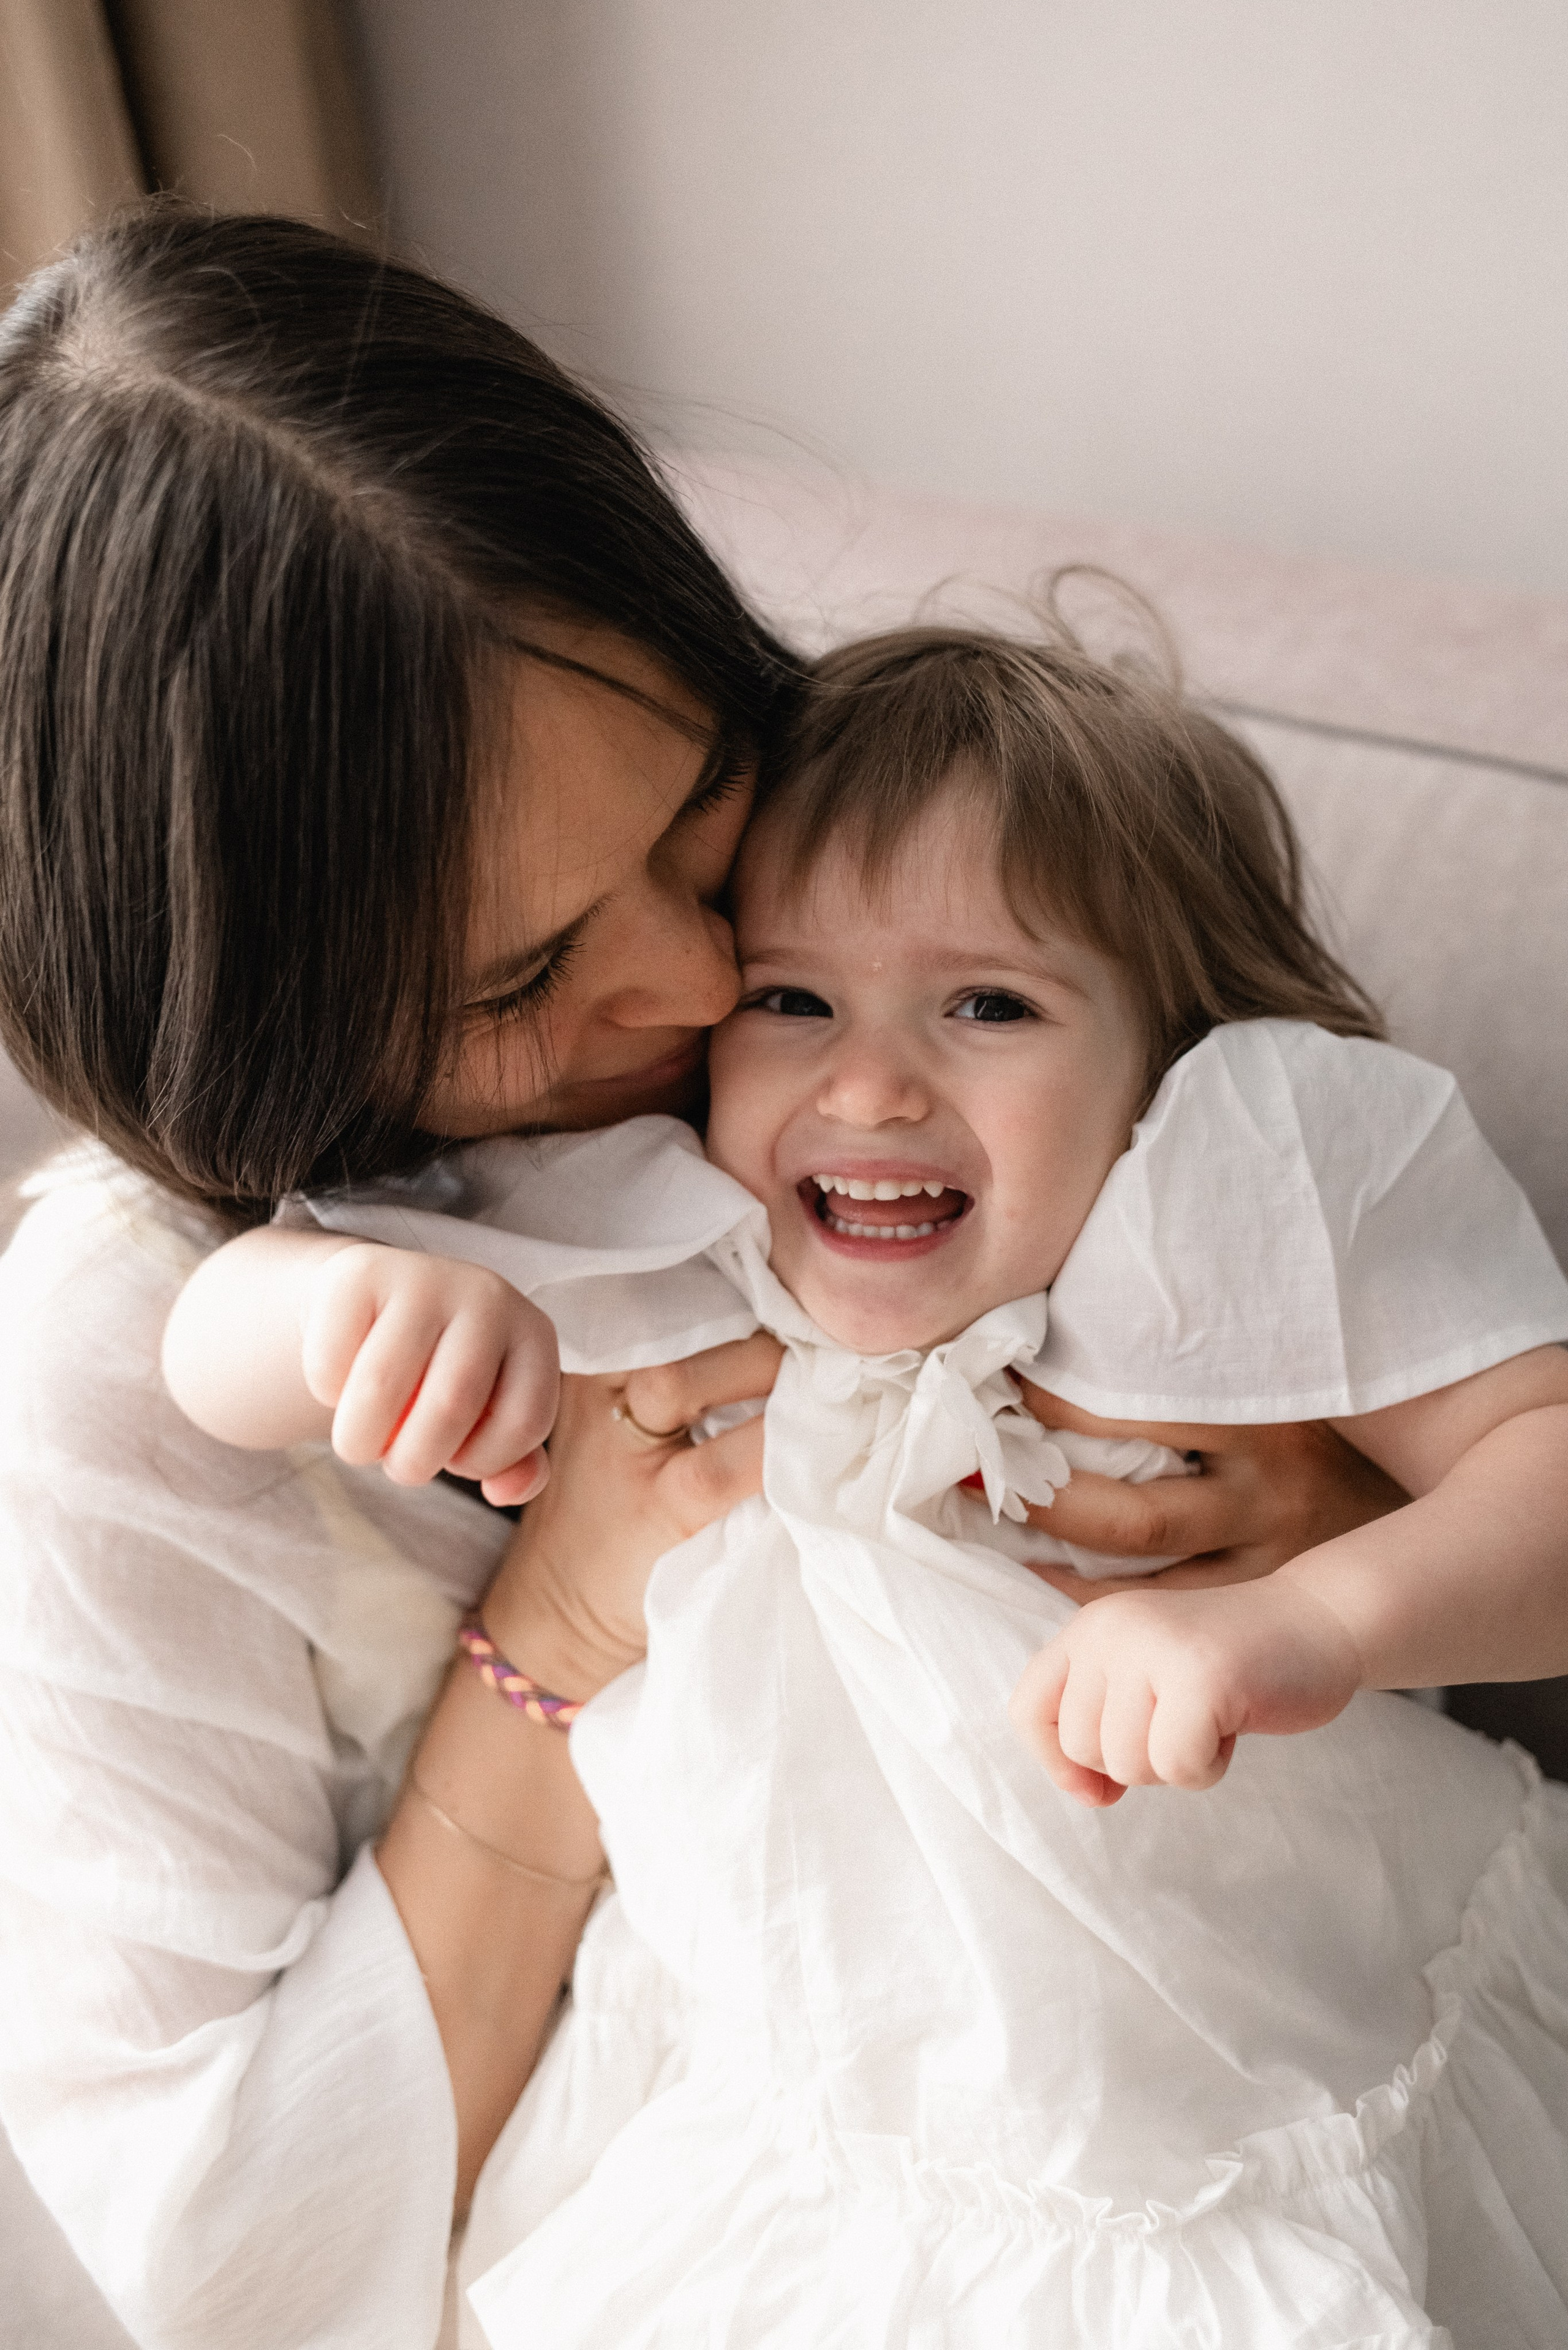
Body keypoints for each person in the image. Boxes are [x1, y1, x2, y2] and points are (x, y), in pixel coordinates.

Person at [0, 205, 1404, 2350]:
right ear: (253, 1034)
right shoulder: (144, 1351)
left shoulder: (883, 895)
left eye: (693, 819)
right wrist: (560, 1625)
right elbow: (229, 2282)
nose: (691, 977)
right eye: (524, 975)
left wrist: (1323, 1520)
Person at [167, 625, 1568, 2346]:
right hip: (791, 2073)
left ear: (1168, 1054)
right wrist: (346, 1313)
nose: (873, 1082)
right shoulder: (680, 1220)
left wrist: (1314, 1615)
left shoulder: (1228, 1199)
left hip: (1249, 2047)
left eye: (989, 1004)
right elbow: (203, 1351)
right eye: (792, 998)